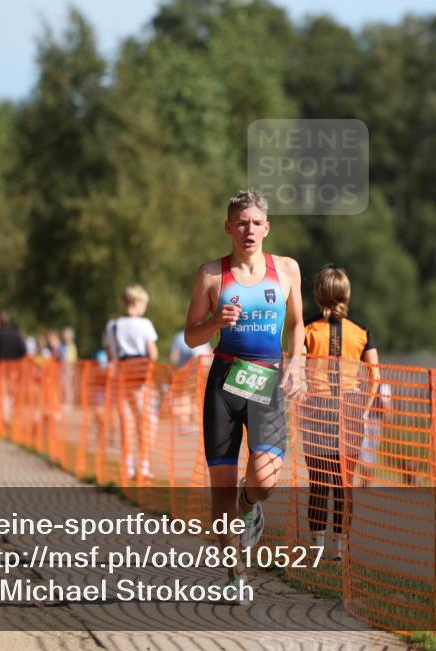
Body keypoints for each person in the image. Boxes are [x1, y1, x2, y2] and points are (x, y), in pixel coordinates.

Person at [183, 189, 305, 599]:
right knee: (220, 490)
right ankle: (236, 572)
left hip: (266, 381)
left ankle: (249, 504)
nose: (248, 230)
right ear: (228, 227)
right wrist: (215, 321)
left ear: (266, 227)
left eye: (255, 223)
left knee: (265, 480)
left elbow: (297, 325)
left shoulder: (286, 269)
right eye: (241, 223)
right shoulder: (211, 275)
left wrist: (297, 362)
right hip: (224, 384)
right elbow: (191, 336)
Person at [300, 264, 380, 559]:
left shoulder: (307, 329)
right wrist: (365, 409)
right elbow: (375, 374)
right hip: (351, 407)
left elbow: (297, 366)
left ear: (318, 293)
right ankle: (340, 546)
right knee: (344, 480)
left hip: (317, 408)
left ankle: (317, 544)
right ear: (346, 294)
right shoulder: (361, 331)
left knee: (319, 479)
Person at [104, 284, 159, 478]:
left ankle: (127, 466)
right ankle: (144, 465)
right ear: (137, 302)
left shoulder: (112, 326)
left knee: (126, 422)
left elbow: (110, 355)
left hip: (121, 376)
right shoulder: (144, 324)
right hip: (141, 377)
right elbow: (153, 353)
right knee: (145, 421)